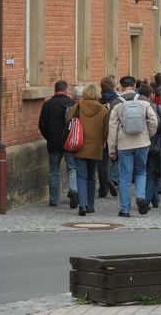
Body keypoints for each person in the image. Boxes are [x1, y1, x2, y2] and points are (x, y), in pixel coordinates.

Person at [107, 76, 158, 217]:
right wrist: (148, 134)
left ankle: (125, 209)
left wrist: (111, 149)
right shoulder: (144, 100)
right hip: (142, 142)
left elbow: (112, 128)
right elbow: (154, 121)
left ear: (121, 87)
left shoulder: (116, 103)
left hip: (124, 144)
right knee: (141, 171)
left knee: (125, 176)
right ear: (134, 85)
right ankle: (141, 197)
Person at [68, 84, 109, 216]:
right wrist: (103, 141)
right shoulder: (103, 110)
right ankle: (90, 205)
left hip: (79, 145)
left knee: (81, 176)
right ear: (98, 94)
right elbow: (106, 130)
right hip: (95, 147)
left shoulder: (76, 107)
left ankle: (83, 205)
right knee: (91, 176)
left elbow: (68, 123)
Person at [38, 80, 78, 208]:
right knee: (72, 168)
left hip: (53, 143)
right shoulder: (72, 103)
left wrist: (49, 137)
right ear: (66, 90)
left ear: (55, 90)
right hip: (70, 142)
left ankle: (54, 199)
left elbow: (41, 125)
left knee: (54, 171)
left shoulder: (48, 104)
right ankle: (73, 190)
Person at [138, 83, 161, 209]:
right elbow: (160, 126)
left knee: (143, 172)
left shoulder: (132, 105)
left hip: (136, 143)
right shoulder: (155, 107)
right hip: (153, 145)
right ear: (151, 95)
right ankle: (146, 201)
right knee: (150, 173)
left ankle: (155, 199)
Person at [98, 75, 120, 198]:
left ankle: (103, 189)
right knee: (117, 159)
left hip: (100, 134)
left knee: (102, 163)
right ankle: (114, 180)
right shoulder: (117, 99)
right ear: (113, 86)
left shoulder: (97, 99)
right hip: (114, 132)